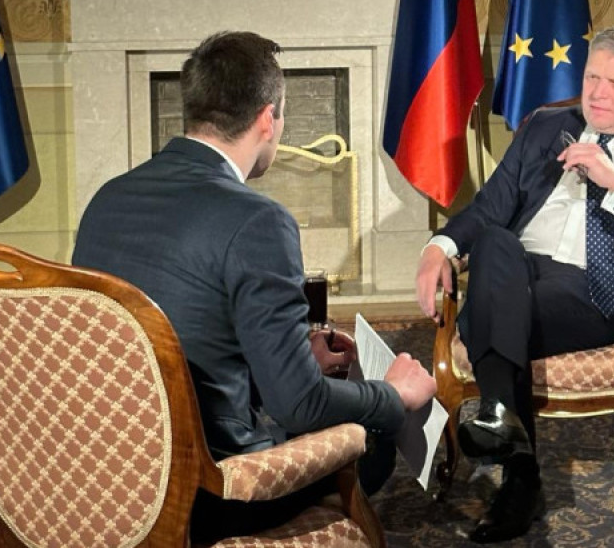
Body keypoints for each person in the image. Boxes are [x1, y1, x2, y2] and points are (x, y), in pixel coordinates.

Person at [73, 30, 437, 541]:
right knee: (373, 441)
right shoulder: (258, 221)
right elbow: (298, 406)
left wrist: (292, 357)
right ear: (268, 119)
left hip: (105, 470)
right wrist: (392, 395)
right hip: (207, 491)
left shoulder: (107, 200)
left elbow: (175, 336)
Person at [414, 25, 614, 543]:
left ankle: (517, 471)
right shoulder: (545, 126)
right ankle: (506, 431)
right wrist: (438, 247)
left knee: (494, 311)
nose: (597, 93)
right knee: (495, 242)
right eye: (593, 76)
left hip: (599, 291)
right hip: (517, 270)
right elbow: (490, 207)